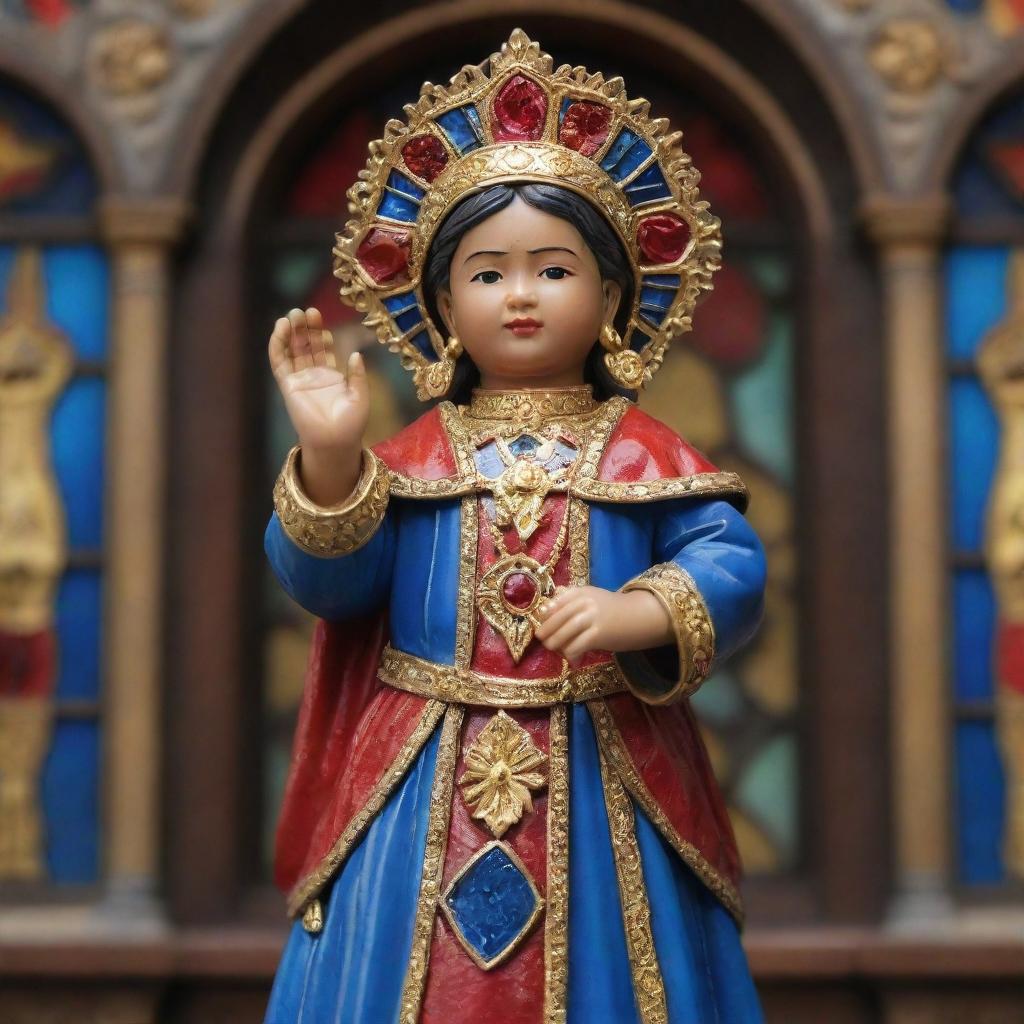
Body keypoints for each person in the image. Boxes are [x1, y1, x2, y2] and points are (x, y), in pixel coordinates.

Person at [263, 30, 767, 1024]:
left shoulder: (647, 456)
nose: (522, 295)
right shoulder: (407, 461)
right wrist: (330, 458)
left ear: (614, 295)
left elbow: (729, 562)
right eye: (489, 274)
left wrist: (641, 612)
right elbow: (335, 587)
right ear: (443, 301)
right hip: (422, 785)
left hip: (601, 760)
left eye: (554, 269)